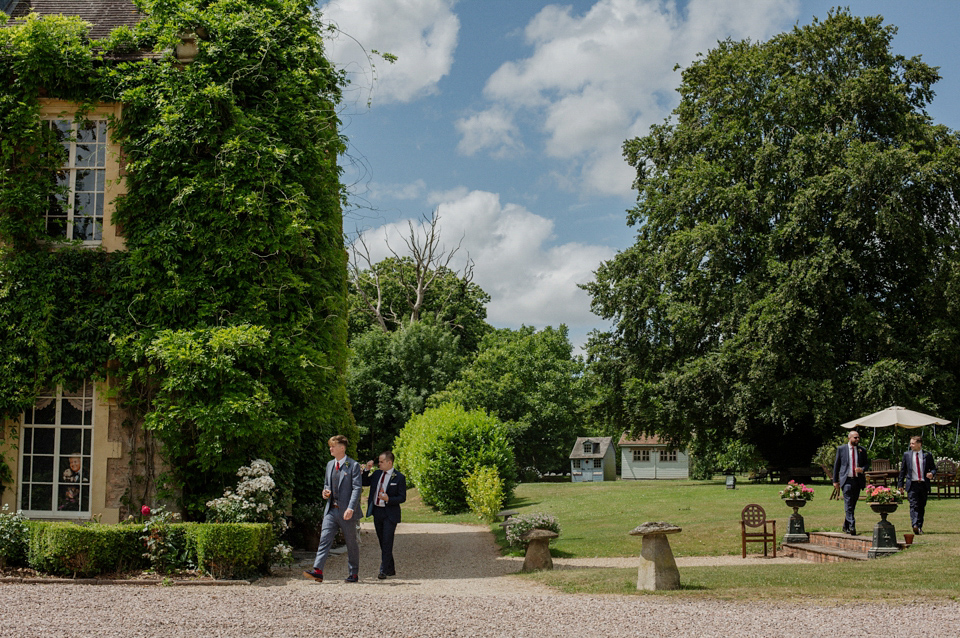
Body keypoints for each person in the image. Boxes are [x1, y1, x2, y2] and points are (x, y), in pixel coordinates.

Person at [303, 435, 363, 583]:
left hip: (347, 512)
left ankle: (353, 573)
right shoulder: (330, 465)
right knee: (324, 539)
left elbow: (357, 489)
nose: (330, 448)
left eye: (333, 446)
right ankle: (318, 571)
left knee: (351, 543)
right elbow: (326, 484)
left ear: (342, 448)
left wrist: (351, 508)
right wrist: (325, 492)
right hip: (331, 510)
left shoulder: (353, 465)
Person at [363, 451, 407, 579]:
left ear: (389, 462)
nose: (379, 464)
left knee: (388, 541)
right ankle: (390, 569)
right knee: (383, 541)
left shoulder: (399, 477)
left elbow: (402, 497)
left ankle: (383, 570)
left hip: (390, 513)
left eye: (381, 462)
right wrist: (367, 469)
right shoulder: (377, 474)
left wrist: (389, 499)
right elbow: (364, 481)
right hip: (378, 512)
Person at [897, 435, 936, 535]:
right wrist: (900, 485)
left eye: (913, 443)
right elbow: (903, 471)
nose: (911, 445)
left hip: (923, 484)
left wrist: (931, 473)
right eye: (910, 443)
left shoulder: (927, 455)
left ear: (919, 444)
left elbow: (933, 468)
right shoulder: (907, 455)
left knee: (921, 506)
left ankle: (919, 526)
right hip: (912, 484)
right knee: (913, 505)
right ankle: (914, 525)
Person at [833, 429, 869, 535]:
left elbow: (867, 464)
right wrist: (835, 481)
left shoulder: (862, 450)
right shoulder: (842, 449)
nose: (857, 439)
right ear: (849, 438)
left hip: (857, 480)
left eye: (858, 437)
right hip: (846, 480)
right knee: (848, 503)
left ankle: (846, 525)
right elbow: (837, 465)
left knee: (852, 504)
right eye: (855, 437)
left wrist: (862, 469)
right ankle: (852, 525)